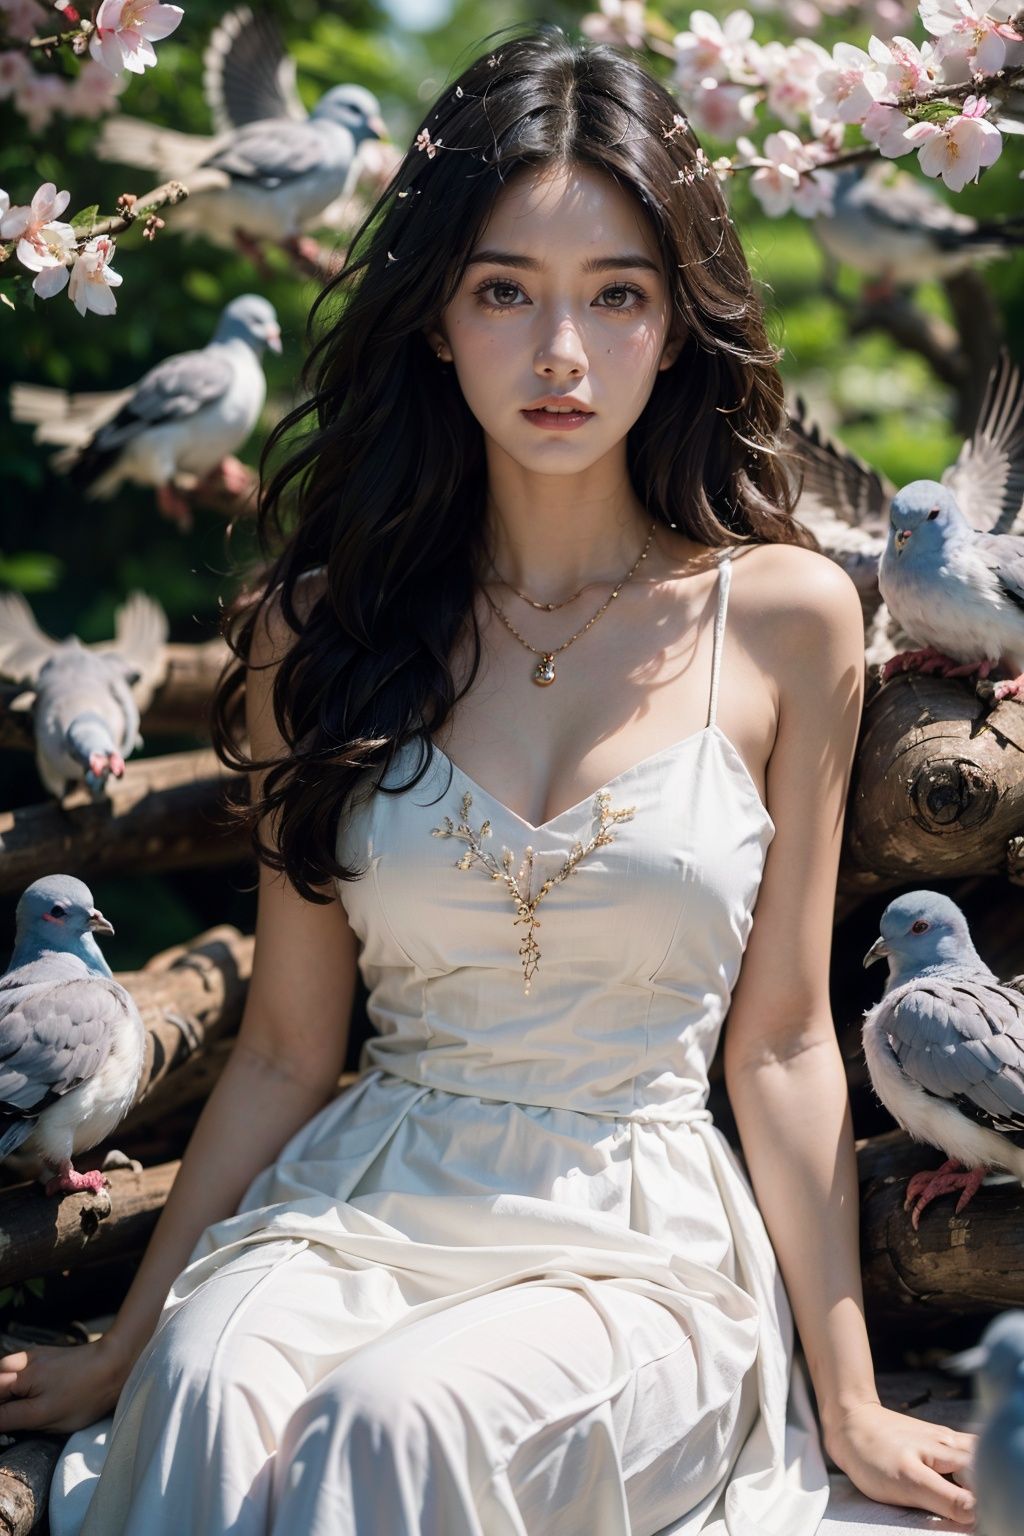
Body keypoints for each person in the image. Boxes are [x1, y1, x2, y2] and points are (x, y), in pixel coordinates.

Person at [4, 23, 976, 1536]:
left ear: (681, 325)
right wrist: (124, 1350)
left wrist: (846, 1395)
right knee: (205, 1393)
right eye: (505, 291)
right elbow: (280, 1051)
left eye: (618, 296)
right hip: (361, 1198)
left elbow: (780, 1046)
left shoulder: (790, 620)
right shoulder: (314, 628)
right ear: (435, 318)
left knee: (393, 1427)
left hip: (635, 1240)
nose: (563, 354)